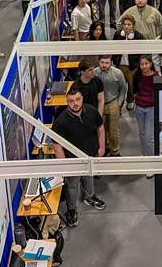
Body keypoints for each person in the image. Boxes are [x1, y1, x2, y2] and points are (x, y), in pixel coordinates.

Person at [52, 88, 106, 228]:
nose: (75, 103)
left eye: (77, 99)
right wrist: (64, 165)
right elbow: (56, 145)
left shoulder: (92, 111)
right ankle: (71, 210)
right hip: (73, 161)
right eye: (71, 101)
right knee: (72, 186)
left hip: (90, 156)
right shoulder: (61, 122)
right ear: (66, 102)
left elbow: (100, 128)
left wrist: (101, 148)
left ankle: (90, 197)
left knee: (89, 178)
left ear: (82, 99)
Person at [94, 56, 126, 157]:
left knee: (113, 131)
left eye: (107, 63)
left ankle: (114, 151)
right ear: (98, 62)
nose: (104, 65)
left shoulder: (118, 73)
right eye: (102, 62)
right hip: (99, 105)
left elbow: (123, 89)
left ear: (111, 63)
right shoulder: (94, 73)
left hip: (113, 103)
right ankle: (105, 149)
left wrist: (119, 104)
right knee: (101, 130)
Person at [112, 15, 145, 110]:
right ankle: (119, 104)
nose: (126, 26)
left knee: (131, 86)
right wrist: (115, 61)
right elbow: (113, 48)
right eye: (125, 24)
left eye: (129, 24)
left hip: (132, 66)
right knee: (119, 86)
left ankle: (130, 100)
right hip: (120, 64)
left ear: (133, 25)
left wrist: (137, 65)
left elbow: (140, 52)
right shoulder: (117, 34)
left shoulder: (138, 36)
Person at [133, 56, 157, 160]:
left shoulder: (156, 76)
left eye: (146, 64)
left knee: (149, 137)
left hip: (151, 108)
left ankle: (152, 160)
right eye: (142, 64)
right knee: (142, 134)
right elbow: (134, 90)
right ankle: (144, 156)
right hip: (139, 107)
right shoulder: (137, 75)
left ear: (150, 64)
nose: (144, 66)